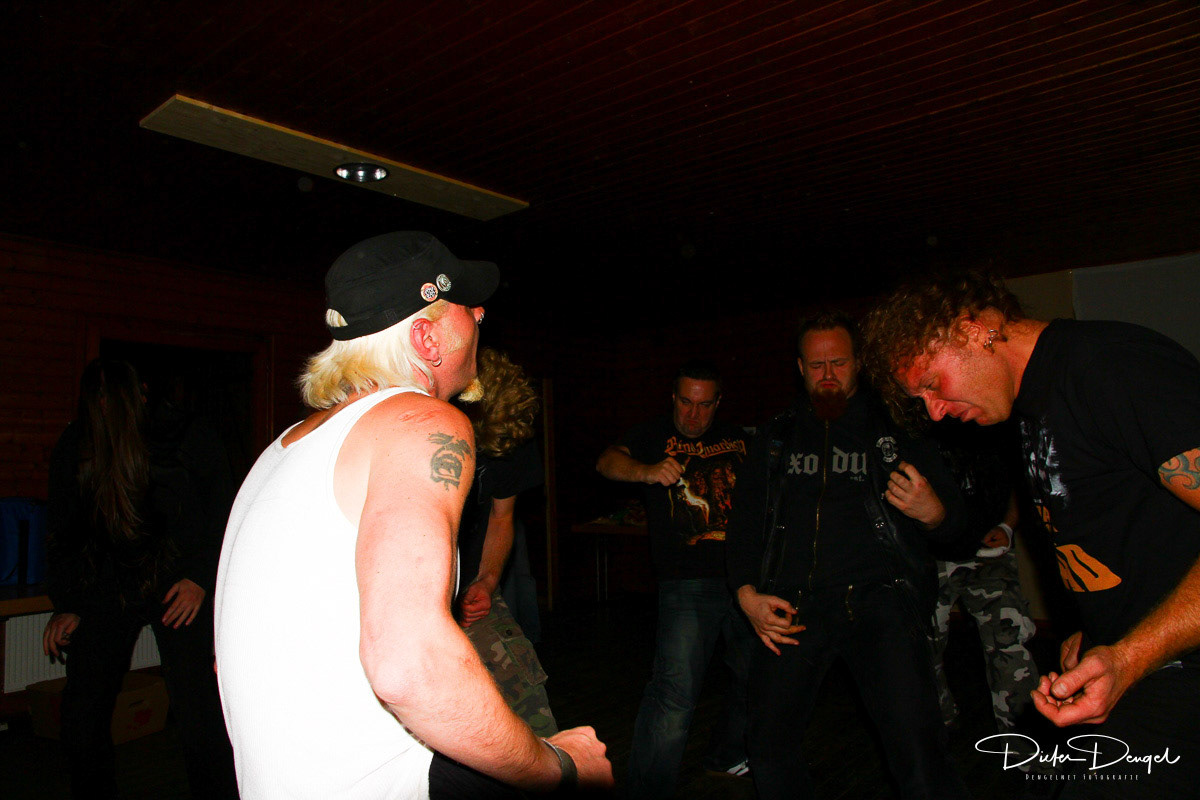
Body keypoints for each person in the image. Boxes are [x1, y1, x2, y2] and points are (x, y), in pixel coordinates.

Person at [214, 232, 611, 799]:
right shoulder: (423, 423)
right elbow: (409, 665)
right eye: (464, 305)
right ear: (427, 338)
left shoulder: (281, 450)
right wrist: (557, 768)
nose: (480, 314)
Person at [863, 272, 1200, 796]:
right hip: (1132, 661)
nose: (934, 410)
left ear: (974, 329)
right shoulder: (1030, 405)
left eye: (931, 384)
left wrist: (1128, 656)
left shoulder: (1110, 365)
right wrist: (1096, 632)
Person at [726, 311, 969, 800]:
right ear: (800, 368)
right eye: (817, 365)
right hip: (793, 606)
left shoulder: (898, 429)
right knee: (767, 746)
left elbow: (959, 527)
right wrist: (746, 593)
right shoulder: (776, 437)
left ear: (858, 363)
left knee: (918, 752)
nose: (828, 374)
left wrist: (934, 512)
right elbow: (745, 523)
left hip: (880, 603)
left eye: (838, 362)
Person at [42, 358, 238, 799]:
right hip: (106, 586)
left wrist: (199, 577)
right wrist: (67, 603)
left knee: (196, 703)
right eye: (99, 398)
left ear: (141, 394)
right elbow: (63, 530)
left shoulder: (183, 435)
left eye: (114, 396)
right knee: (83, 706)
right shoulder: (77, 444)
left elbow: (222, 508)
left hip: (177, 583)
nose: (107, 405)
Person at [596, 360, 754, 798]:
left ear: (718, 403)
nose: (693, 414)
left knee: (754, 678)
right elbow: (606, 462)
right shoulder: (651, 435)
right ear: (673, 397)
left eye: (704, 405)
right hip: (687, 583)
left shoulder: (740, 438)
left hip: (745, 581)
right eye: (685, 402)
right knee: (675, 693)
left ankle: (726, 755)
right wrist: (646, 472)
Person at [456, 347, 557, 738]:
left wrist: (486, 581)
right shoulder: (428, 423)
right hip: (414, 588)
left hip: (470, 581)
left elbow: (501, 517)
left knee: (529, 707)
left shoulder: (510, 427)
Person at [927, 421, 1038, 737]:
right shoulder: (909, 420)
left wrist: (1007, 526)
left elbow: (1022, 476)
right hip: (930, 554)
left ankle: (1025, 746)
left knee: (1011, 644)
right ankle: (936, 730)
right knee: (919, 649)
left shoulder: (998, 417)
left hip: (989, 551)